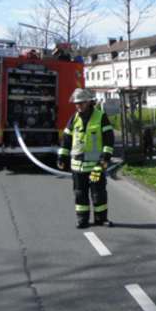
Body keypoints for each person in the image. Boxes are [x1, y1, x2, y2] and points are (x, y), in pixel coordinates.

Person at [57, 88, 115, 228]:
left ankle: (101, 219)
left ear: (89, 102)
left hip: (96, 166)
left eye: (81, 103)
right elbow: (66, 139)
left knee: (98, 193)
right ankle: (82, 220)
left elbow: (109, 139)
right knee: (80, 193)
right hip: (78, 166)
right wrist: (62, 157)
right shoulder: (74, 118)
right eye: (76, 103)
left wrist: (105, 158)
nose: (78, 106)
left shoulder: (100, 117)